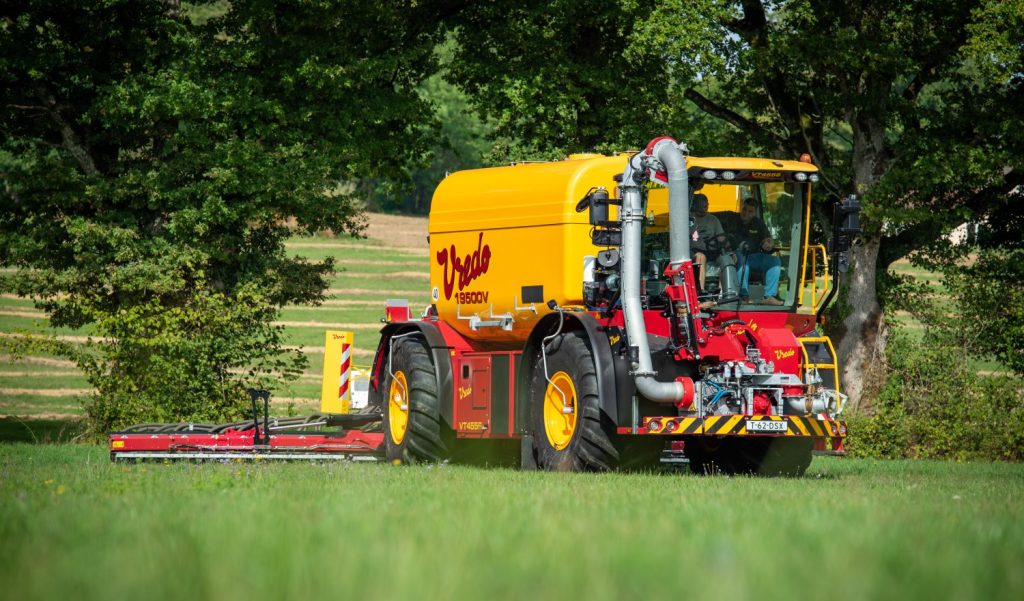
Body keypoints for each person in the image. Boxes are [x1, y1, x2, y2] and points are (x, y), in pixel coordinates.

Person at [729, 197, 783, 305]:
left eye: (750, 211)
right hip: (736, 257)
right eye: (744, 209)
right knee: (741, 258)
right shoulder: (732, 219)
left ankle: (769, 296)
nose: (746, 213)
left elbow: (767, 240)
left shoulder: (759, 224)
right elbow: (726, 238)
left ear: (755, 213)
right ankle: (744, 296)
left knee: (775, 261)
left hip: (754, 257)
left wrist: (769, 244)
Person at [690, 193, 728, 291]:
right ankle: (700, 291)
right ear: (695, 206)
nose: (703, 209)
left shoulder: (713, 219)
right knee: (701, 257)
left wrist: (728, 249)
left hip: (711, 250)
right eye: (700, 207)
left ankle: (722, 292)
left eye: (705, 206)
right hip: (694, 251)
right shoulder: (689, 219)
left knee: (726, 259)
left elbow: (721, 238)